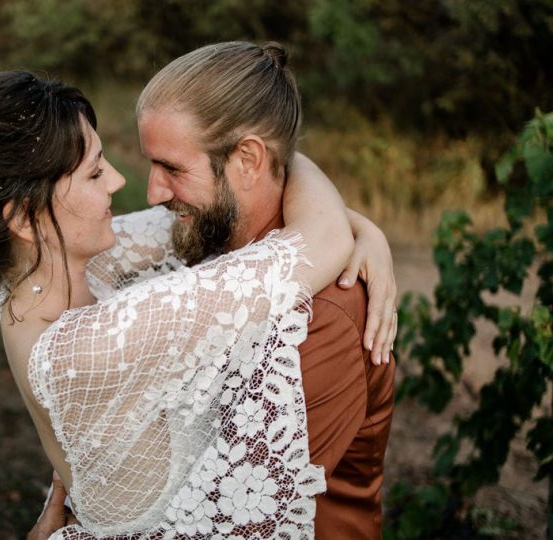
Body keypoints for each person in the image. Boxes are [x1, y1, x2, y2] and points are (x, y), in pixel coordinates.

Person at [0, 68, 386, 539]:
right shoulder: (97, 342)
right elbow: (314, 243)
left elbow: (200, 223)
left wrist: (352, 220)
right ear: (27, 219)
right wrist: (344, 216)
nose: (117, 181)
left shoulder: (43, 282)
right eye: (93, 174)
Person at [36, 41, 396, 539]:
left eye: (173, 169)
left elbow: (212, 520)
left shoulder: (324, 318)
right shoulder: (210, 238)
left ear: (248, 160)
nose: (154, 192)